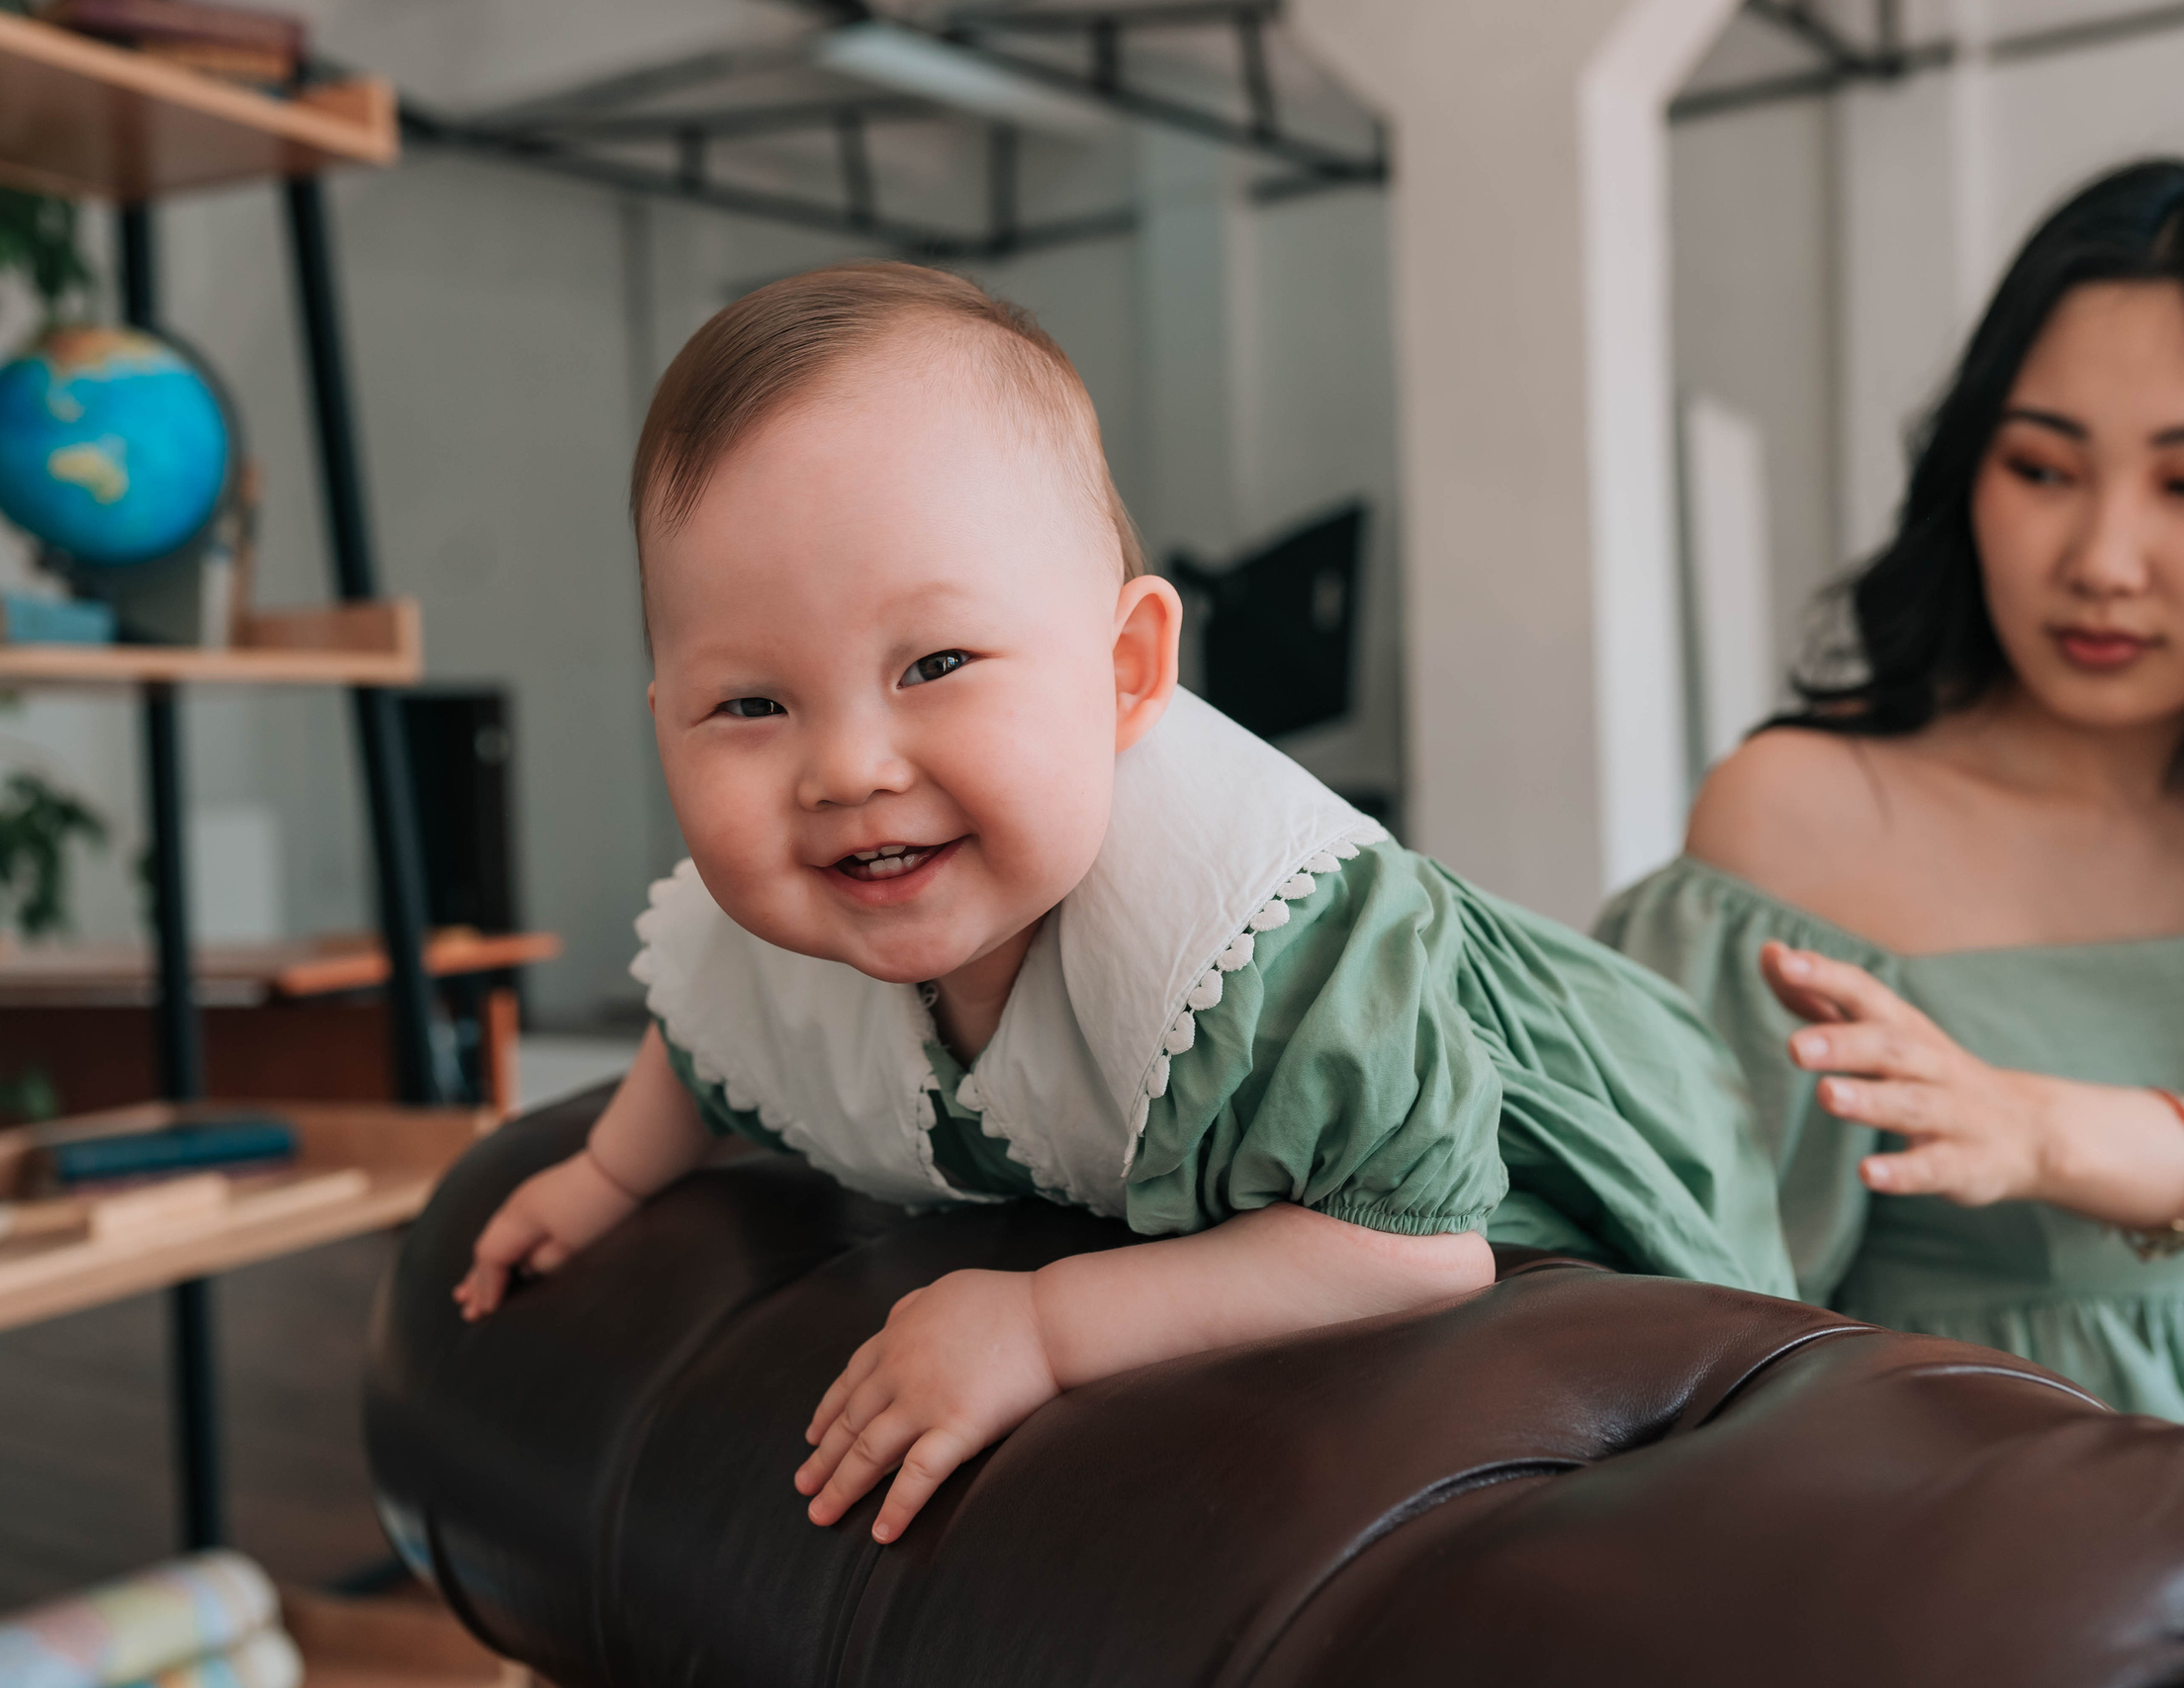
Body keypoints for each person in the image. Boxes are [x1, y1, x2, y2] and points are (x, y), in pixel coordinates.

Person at [454, 262, 1793, 1544]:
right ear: (664, 723)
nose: (849, 770)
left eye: (935, 663)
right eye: (751, 704)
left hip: (1616, 1110)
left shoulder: (1265, 948)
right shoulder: (780, 918)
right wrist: (603, 1175)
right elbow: (711, 1035)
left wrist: (1046, 1326)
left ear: (1126, 671)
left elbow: (1416, 1248)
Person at [1598, 157, 2184, 1436]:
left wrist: (2040, 1132)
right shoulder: (1804, 819)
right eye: (2041, 468)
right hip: (1966, 1525)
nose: (2102, 561)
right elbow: (1674, 1317)